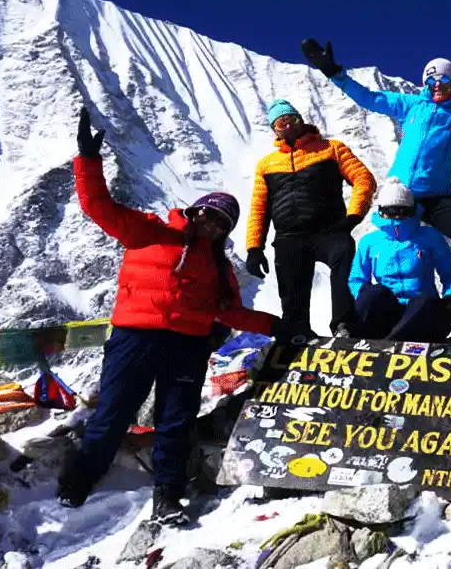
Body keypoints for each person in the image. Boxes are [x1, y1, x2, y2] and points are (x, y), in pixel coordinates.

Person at [59, 108, 288, 524]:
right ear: (196, 210)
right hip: (135, 337)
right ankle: (78, 483)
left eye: (223, 224)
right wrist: (88, 161)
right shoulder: (149, 231)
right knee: (113, 413)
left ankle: (168, 496)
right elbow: (98, 206)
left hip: (188, 346)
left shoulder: (219, 267)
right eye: (210, 214)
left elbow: (233, 313)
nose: (214, 225)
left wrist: (275, 326)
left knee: (175, 422)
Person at [300, 39, 451, 325]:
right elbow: (369, 98)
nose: (437, 85)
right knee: (380, 250)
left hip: (438, 197)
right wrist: (335, 73)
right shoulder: (412, 105)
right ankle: (368, 317)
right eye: (430, 81)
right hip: (401, 196)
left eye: (443, 79)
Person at [245, 99, 375, 338]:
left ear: (301, 120)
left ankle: (344, 325)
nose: (288, 126)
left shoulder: (332, 148)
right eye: (281, 123)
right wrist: (254, 248)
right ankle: (297, 331)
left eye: (292, 119)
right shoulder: (266, 165)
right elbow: (258, 208)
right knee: (292, 295)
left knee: (344, 258)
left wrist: (353, 217)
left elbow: (363, 179)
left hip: (329, 230)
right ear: (274, 130)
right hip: (288, 237)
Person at [348, 177, 451, 342]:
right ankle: (353, 339)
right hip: (387, 313)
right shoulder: (370, 241)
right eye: (391, 211)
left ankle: (388, 344)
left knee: (424, 302)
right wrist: (365, 299)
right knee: (375, 292)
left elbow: (449, 272)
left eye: (403, 211)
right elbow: (357, 279)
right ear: (381, 211)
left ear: (412, 210)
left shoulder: (430, 237)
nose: (397, 217)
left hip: (421, 314)